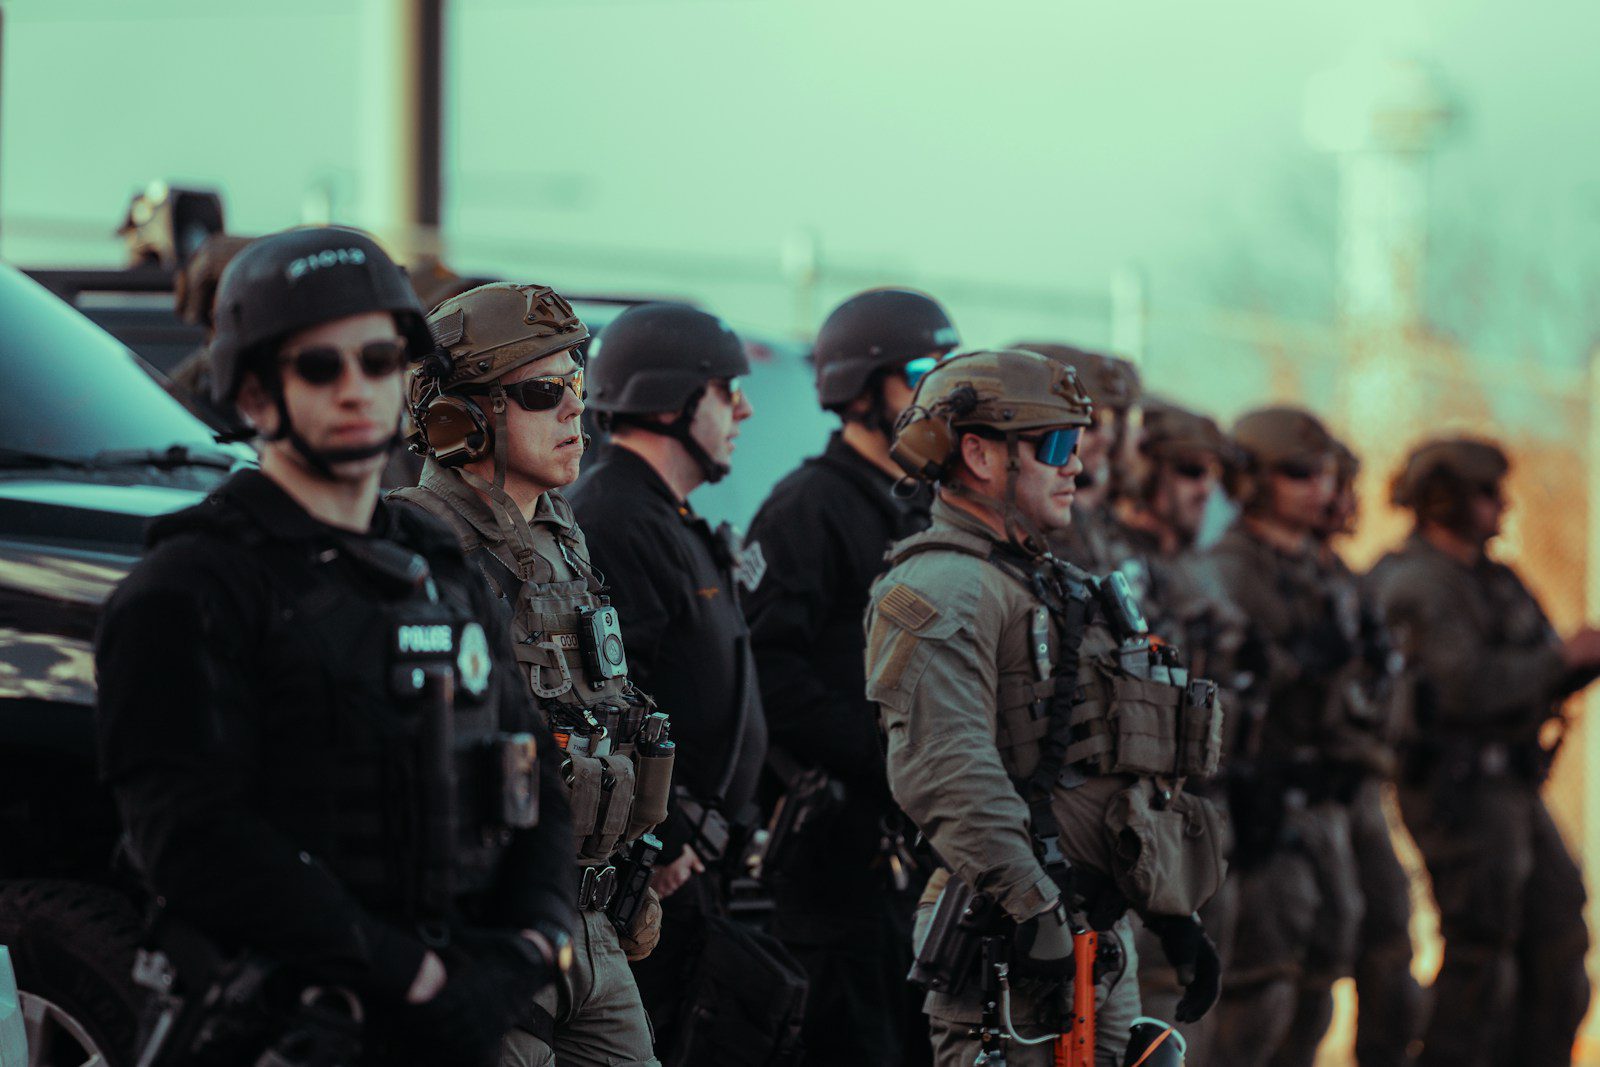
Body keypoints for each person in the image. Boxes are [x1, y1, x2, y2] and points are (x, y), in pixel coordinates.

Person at [95, 227, 575, 1067]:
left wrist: (525, 952)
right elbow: (192, 840)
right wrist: (413, 975)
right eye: (320, 367)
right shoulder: (191, 585)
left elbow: (530, 776)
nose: (357, 388)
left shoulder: (437, 569)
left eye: (380, 362)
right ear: (253, 396)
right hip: (282, 1030)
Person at [865, 348, 1227, 1067]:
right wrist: (1035, 910)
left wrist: (1170, 909)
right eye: (1055, 445)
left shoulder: (1048, 580)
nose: (1078, 466)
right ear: (978, 453)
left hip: (1092, 928)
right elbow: (947, 769)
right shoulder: (943, 586)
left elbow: (1108, 763)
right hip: (1012, 938)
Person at [389, 281, 667, 1067]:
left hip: (588, 924)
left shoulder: (558, 531)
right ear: (462, 416)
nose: (575, 407)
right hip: (485, 924)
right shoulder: (418, 539)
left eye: (578, 382)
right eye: (546, 391)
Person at [743, 287, 957, 1066]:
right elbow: (766, 671)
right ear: (863, 388)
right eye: (923, 371)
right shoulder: (809, 507)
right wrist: (890, 751)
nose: (940, 394)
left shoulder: (925, 507)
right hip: (840, 866)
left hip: (921, 866)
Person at [567, 303, 778, 1057]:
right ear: (668, 401)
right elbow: (607, 704)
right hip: (655, 874)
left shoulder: (667, 516)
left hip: (694, 871)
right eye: (726, 389)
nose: (744, 407)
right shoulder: (614, 517)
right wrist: (667, 834)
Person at [1369, 437, 1600, 1067]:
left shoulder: (1495, 579)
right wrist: (1559, 659)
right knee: (1481, 952)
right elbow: (1464, 687)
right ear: (1445, 496)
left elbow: (1535, 669)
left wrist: (1575, 664)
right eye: (1488, 491)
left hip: (1513, 784)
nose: (1504, 504)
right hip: (1456, 787)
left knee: (1559, 939)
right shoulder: (1416, 581)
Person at [1207, 406, 1365, 1067]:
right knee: (1260, 980)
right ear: (1251, 478)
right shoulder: (1228, 567)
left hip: (1323, 794)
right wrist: (1299, 658)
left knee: (1325, 963)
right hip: (1258, 795)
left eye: (1324, 473)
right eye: (1298, 472)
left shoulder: (1324, 571)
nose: (1319, 488)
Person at [1097, 399, 1244, 1064]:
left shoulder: (1198, 565)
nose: (1203, 488)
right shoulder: (1106, 557)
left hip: (1204, 807)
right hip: (1134, 816)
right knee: (1154, 1003)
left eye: (1212, 473)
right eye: (1188, 469)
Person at [1314, 440, 1421, 1067]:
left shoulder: (1347, 583)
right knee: (1294, 970)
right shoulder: (1234, 571)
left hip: (1354, 788)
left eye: (1344, 484)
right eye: (1315, 479)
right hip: (1288, 797)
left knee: (1390, 945)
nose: (1341, 500)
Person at [1009, 342, 1141, 572]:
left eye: (1113, 422)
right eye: (1089, 424)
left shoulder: (1088, 520)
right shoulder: (1028, 525)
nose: (1107, 437)